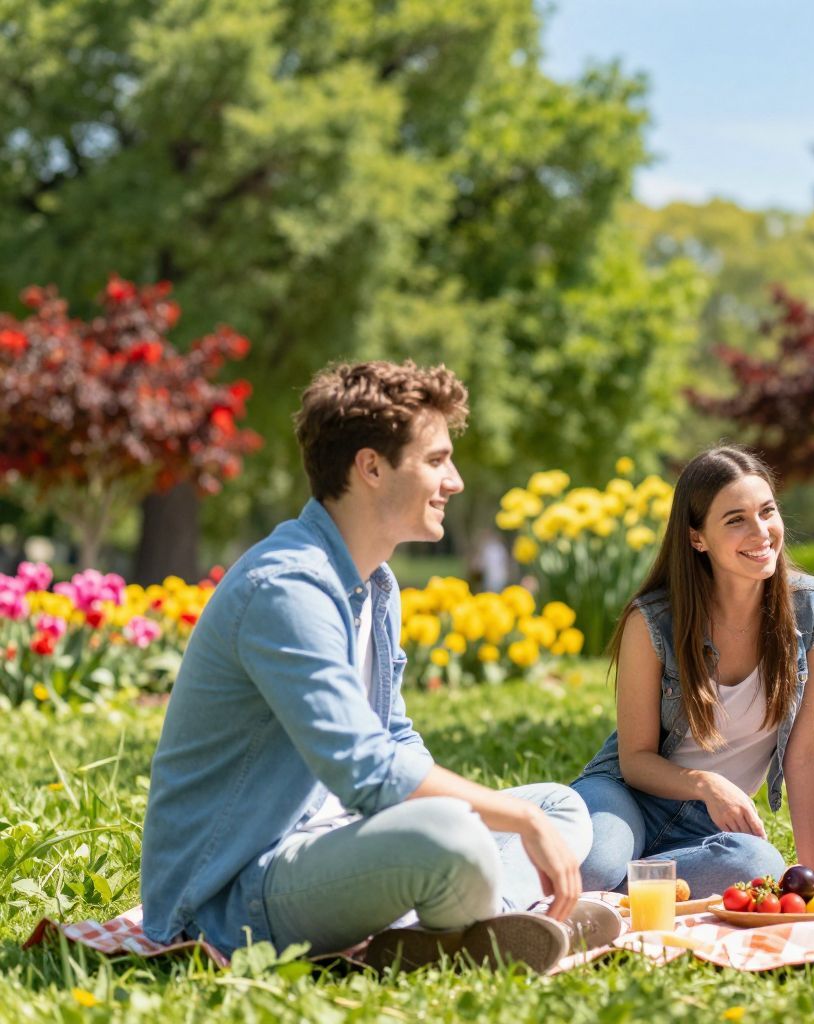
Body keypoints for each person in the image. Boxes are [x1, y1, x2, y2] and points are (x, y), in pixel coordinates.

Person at [141, 360, 616, 974]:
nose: (456, 480)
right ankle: (489, 926)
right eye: (437, 459)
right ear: (370, 467)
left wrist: (522, 815)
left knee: (560, 807)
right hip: (230, 896)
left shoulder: (377, 586)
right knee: (454, 838)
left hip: (336, 848)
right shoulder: (286, 587)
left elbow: (394, 737)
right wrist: (506, 817)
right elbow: (366, 769)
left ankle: (465, 929)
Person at [572, 445, 814, 894]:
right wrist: (706, 784)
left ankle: (607, 897)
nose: (761, 532)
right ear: (697, 537)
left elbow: (807, 751)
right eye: (735, 520)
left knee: (757, 861)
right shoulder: (654, 621)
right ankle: (599, 880)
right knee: (595, 865)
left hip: (708, 828)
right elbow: (635, 761)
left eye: (767, 512)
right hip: (623, 799)